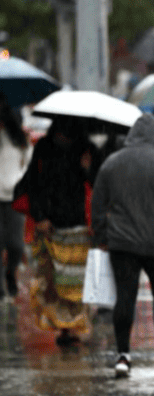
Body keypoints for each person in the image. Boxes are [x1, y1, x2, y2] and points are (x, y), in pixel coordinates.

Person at [91, 114, 154, 379]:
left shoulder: (112, 163)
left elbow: (98, 204)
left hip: (122, 243)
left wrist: (101, 236)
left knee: (124, 297)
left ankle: (123, 357)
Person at [17, 116, 97, 346]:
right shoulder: (43, 147)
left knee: (75, 282)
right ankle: (61, 328)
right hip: (50, 224)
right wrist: (40, 217)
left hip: (77, 224)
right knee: (52, 280)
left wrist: (88, 169)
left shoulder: (87, 150)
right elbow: (33, 182)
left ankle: (72, 328)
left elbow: (97, 182)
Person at [0, 93, 32, 300]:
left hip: (14, 197)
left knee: (15, 244)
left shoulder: (19, 140)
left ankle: (10, 273)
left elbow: (27, 163)